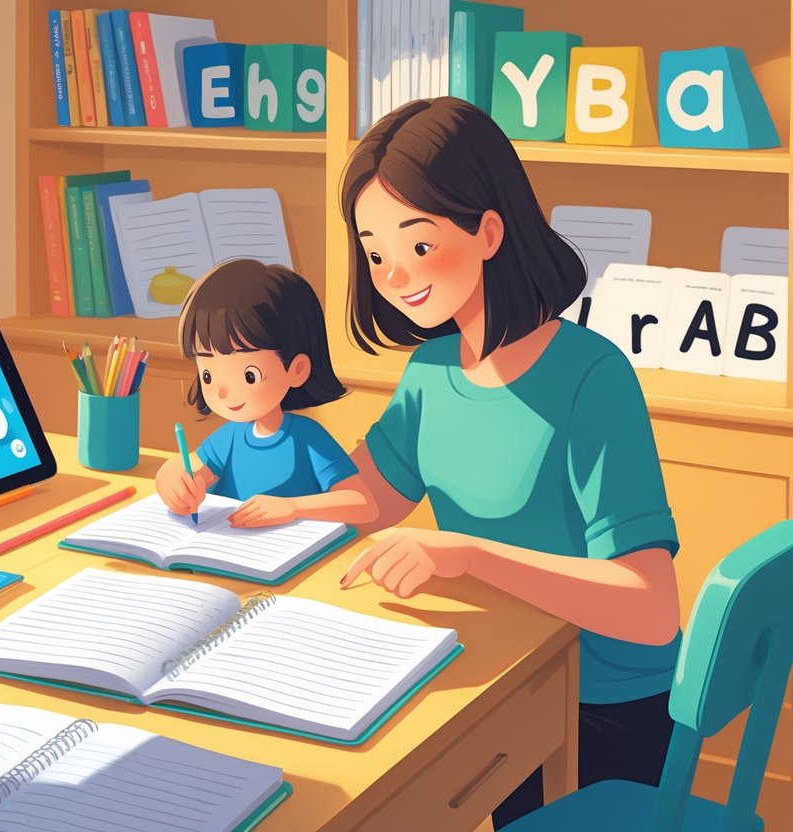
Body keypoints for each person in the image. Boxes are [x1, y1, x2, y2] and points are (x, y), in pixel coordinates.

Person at [334, 98, 681, 827]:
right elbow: (370, 498)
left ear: (488, 231)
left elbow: (650, 609)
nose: (394, 275)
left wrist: (468, 555)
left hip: (600, 707)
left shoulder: (591, 377)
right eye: (375, 254)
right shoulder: (431, 371)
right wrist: (233, 476)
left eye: (417, 244)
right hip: (498, 677)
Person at [155, 259, 375, 528]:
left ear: (297, 369)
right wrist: (172, 479)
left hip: (289, 549)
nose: (222, 391)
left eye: (249, 375)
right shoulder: (230, 437)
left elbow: (363, 505)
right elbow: (194, 469)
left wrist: (293, 507)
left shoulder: (307, 437)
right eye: (208, 375)